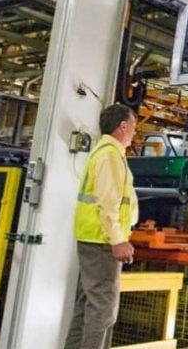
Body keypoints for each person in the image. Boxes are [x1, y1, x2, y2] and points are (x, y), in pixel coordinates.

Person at [65, 104, 139, 349]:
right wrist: (118, 239)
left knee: (88, 305)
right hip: (102, 242)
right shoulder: (109, 155)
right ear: (123, 126)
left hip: (93, 238)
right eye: (134, 128)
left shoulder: (105, 151)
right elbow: (107, 202)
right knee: (103, 311)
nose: (135, 134)